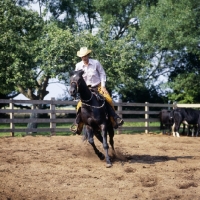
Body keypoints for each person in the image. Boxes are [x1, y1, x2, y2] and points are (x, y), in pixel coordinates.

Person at [70, 47, 124, 134]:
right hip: (86, 90)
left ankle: (115, 119)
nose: (84, 57)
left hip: (97, 87)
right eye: (82, 56)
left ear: (88, 55)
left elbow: (102, 74)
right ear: (81, 57)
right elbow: (76, 78)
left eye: (85, 55)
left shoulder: (96, 63)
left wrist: (103, 86)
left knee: (108, 99)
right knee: (79, 105)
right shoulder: (78, 66)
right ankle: (77, 126)